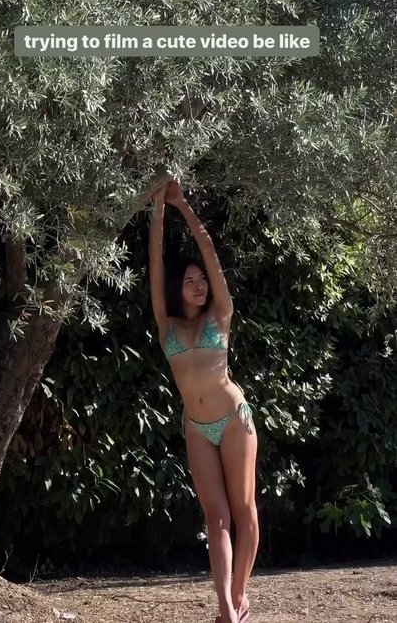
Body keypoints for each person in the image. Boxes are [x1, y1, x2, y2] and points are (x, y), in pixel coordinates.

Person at [148, 180, 259, 623]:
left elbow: (209, 253)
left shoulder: (220, 315)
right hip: (196, 426)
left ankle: (239, 594)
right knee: (216, 519)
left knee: (244, 511)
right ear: (178, 288)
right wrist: (158, 210)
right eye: (189, 281)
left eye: (201, 281)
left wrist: (183, 207)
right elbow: (155, 265)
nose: (198, 285)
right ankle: (226, 609)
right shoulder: (166, 324)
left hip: (233, 419)